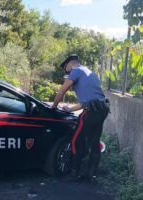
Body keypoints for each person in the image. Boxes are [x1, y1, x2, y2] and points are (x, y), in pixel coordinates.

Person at [51, 54, 110, 182]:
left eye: (66, 69)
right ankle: (91, 175)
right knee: (94, 142)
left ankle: (74, 172)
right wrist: (70, 109)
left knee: (76, 140)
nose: (67, 72)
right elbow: (88, 101)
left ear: (70, 64)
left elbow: (62, 91)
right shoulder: (90, 73)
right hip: (102, 110)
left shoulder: (76, 71)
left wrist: (53, 107)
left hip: (90, 113)